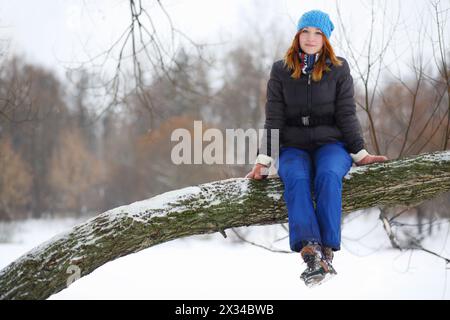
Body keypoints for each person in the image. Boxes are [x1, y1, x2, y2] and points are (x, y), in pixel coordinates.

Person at [246, 10, 388, 287]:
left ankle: (327, 251)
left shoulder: (339, 68)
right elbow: (273, 117)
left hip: (331, 145)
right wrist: (263, 160)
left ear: (326, 39)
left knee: (327, 176)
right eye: (305, 32)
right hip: (293, 147)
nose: (311, 38)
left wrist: (360, 153)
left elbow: (347, 114)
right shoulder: (281, 70)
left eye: (318, 33)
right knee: (296, 178)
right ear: (297, 35)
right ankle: (309, 249)